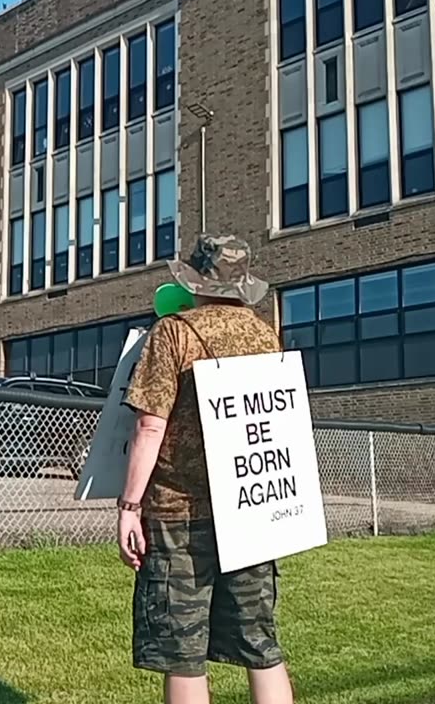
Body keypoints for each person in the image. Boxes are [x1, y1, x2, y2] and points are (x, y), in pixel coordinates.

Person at [117, 234, 295, 704]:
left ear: (194, 281)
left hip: (179, 512)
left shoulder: (173, 333)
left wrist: (129, 506)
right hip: (254, 505)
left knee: (183, 651)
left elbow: (149, 426)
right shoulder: (264, 334)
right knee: (261, 643)